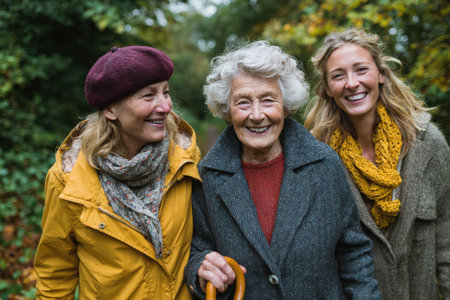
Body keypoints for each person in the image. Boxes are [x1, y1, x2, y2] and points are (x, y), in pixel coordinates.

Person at [183, 40, 381, 299]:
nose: (256, 115)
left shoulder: (323, 164)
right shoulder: (207, 176)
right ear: (227, 111)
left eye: (268, 100)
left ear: (286, 107)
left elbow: (354, 253)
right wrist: (200, 268)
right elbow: (195, 250)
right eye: (243, 102)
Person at [33, 46, 201, 299]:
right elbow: (55, 274)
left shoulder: (185, 160)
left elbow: (206, 238)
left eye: (165, 92)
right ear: (111, 110)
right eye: (148, 96)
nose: (165, 106)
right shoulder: (68, 181)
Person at [304, 28, 450, 299]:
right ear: (327, 87)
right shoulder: (317, 158)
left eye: (361, 70)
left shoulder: (427, 143)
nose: (351, 83)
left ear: (380, 74)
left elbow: (447, 236)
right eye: (338, 75)